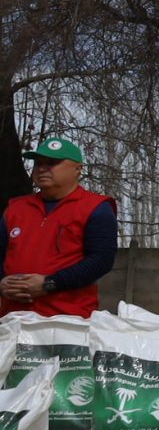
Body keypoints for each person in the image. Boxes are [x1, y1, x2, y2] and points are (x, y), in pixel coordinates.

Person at [3, 136, 118, 318]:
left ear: (77, 169)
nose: (42, 168)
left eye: (52, 163)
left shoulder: (95, 207)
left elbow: (101, 260)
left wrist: (49, 284)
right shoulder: (16, 208)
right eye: (38, 163)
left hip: (67, 319)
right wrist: (2, 283)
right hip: (12, 317)